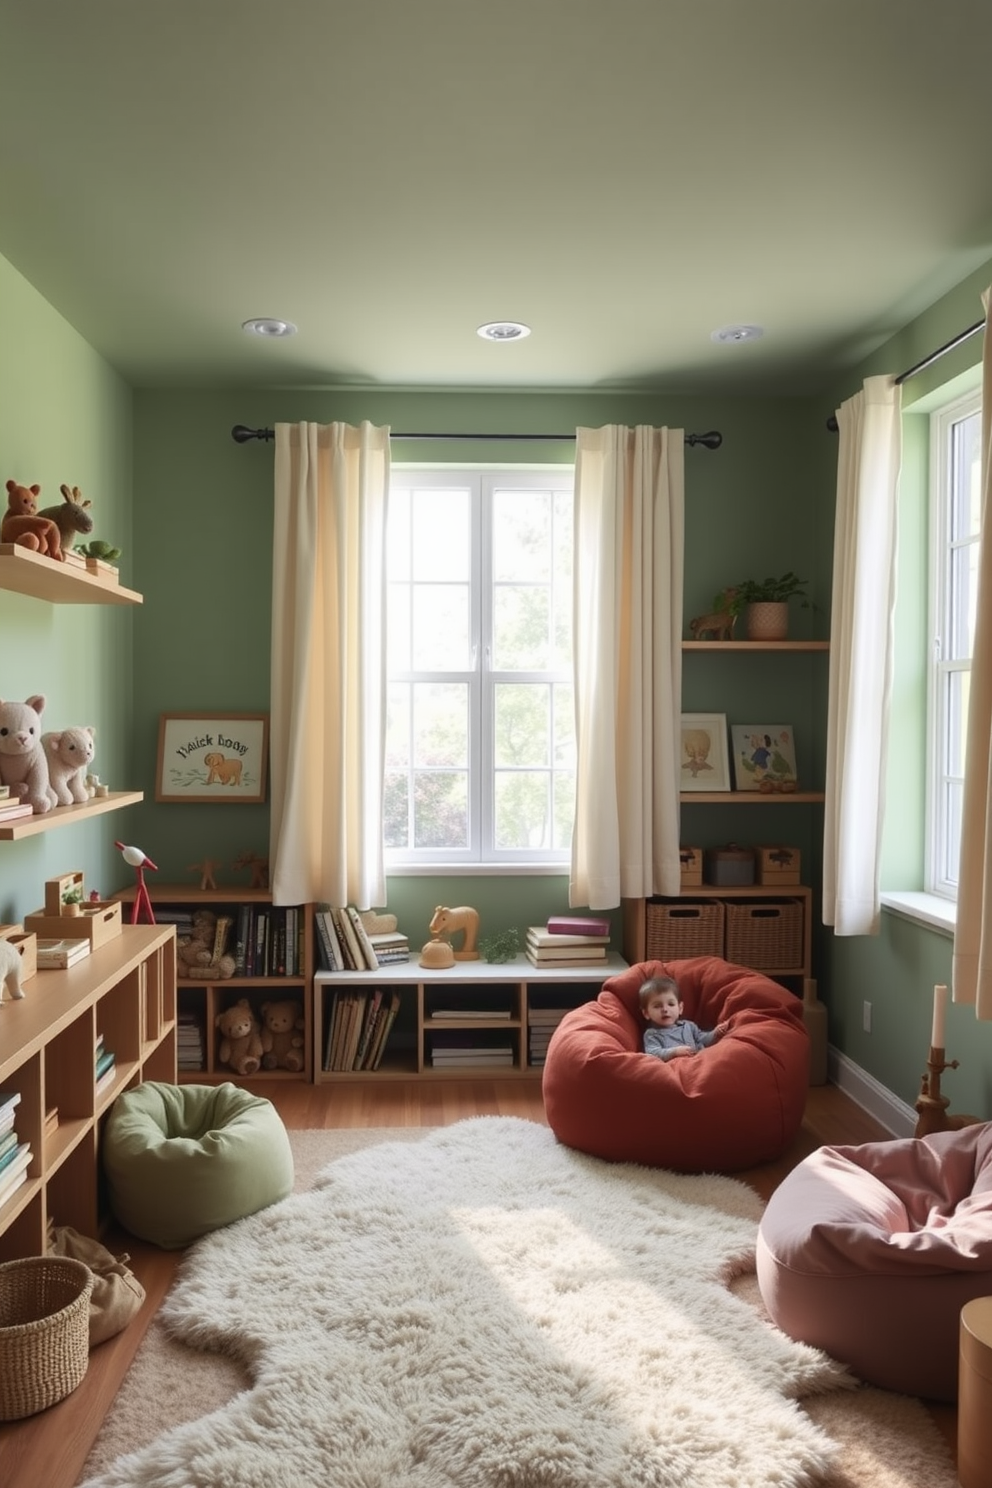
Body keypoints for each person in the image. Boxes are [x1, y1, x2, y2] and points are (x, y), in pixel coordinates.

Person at [639, 975, 729, 1061]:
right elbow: (653, 1053)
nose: (665, 1009)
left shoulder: (688, 1026)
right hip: (676, 1067)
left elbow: (703, 1039)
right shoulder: (652, 1034)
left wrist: (715, 1033)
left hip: (700, 1060)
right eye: (657, 1006)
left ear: (680, 1008)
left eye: (671, 1004)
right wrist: (675, 1052)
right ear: (646, 1013)